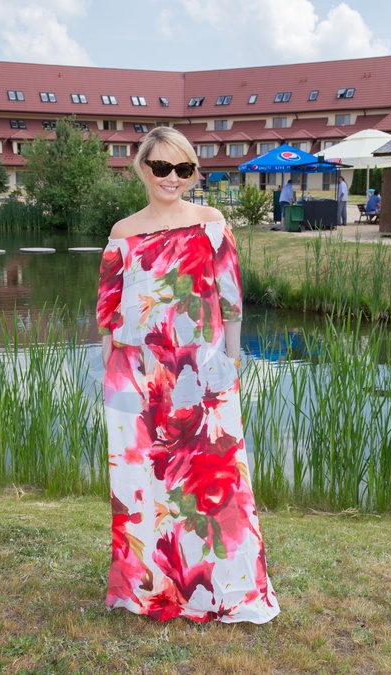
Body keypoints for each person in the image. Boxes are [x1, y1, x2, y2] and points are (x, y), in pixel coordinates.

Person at [96, 126, 280, 624]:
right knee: (145, 481)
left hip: (204, 375)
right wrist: (112, 384)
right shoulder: (123, 233)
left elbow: (231, 300)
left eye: (182, 168)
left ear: (193, 172)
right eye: (161, 167)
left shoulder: (211, 224)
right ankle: (154, 586)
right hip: (138, 376)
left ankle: (219, 587)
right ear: (143, 169)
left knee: (212, 481)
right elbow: (109, 314)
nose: (171, 178)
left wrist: (233, 363)